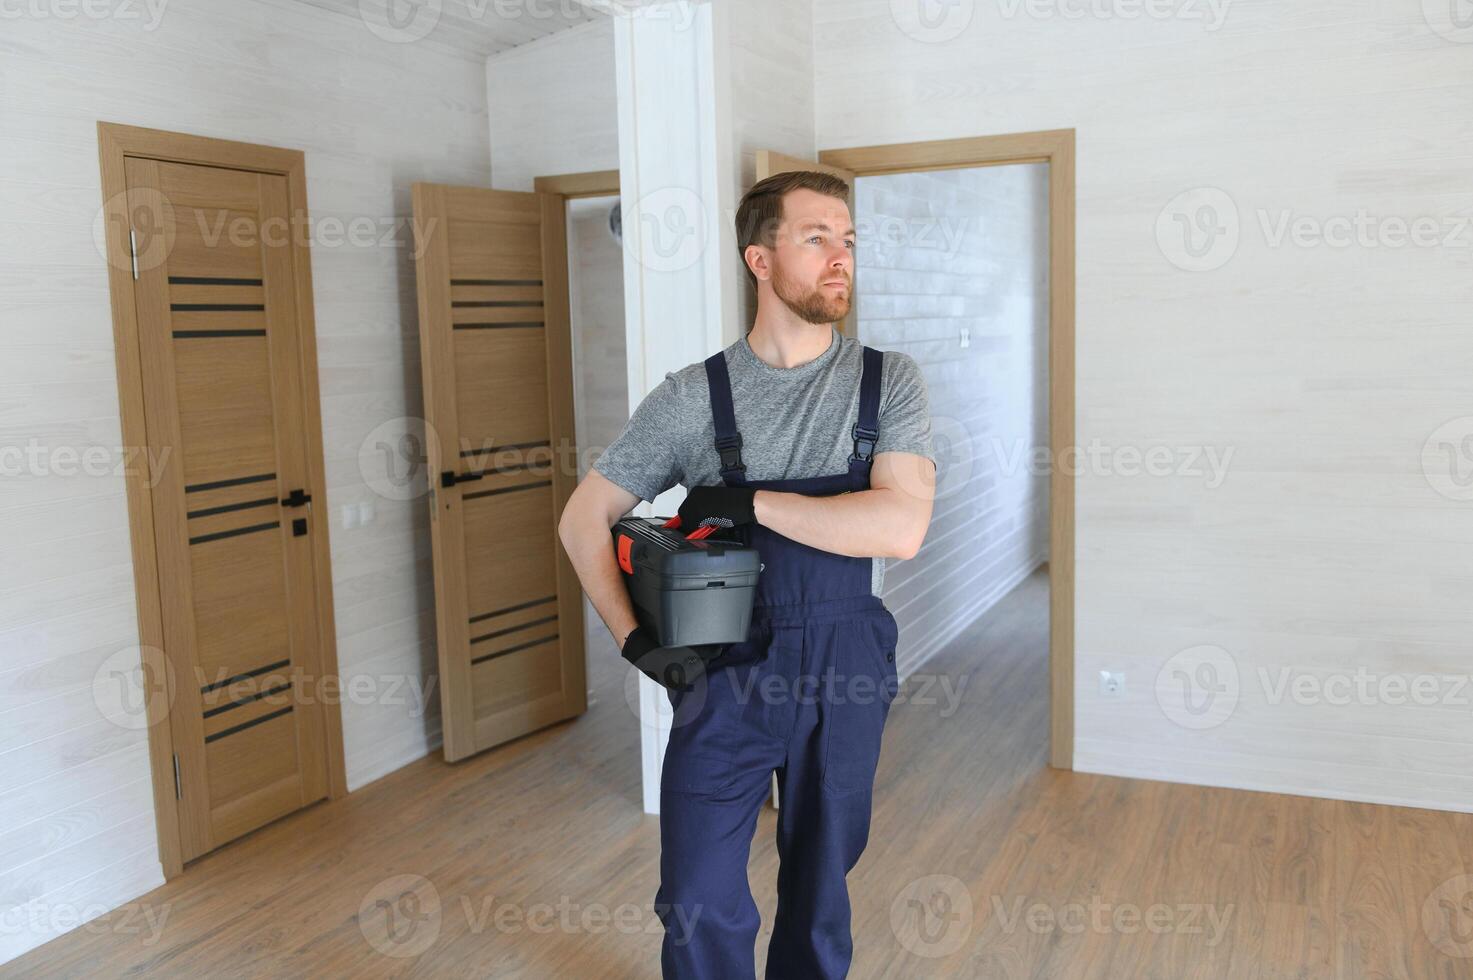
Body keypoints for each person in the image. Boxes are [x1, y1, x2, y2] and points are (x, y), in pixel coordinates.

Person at [557, 170, 937, 978]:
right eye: (816, 238)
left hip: (845, 661)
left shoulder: (886, 381)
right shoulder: (690, 398)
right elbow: (580, 518)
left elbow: (899, 527)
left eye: (848, 241)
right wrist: (635, 644)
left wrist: (748, 501)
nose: (841, 258)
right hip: (724, 664)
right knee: (696, 893)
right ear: (758, 259)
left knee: (819, 886)